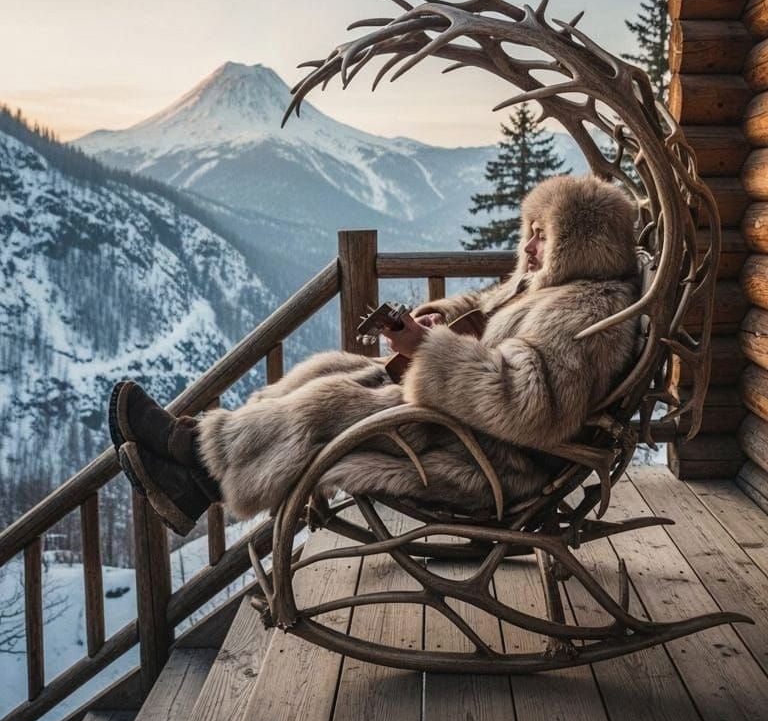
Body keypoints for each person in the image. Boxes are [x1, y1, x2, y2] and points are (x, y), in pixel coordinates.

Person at [109, 174, 641, 536]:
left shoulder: (589, 312)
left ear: (581, 243)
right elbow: (483, 305)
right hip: (468, 428)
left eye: (542, 237)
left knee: (328, 405)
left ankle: (193, 453)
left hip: (496, 461)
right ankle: (197, 477)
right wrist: (438, 320)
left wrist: (431, 351)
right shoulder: (547, 288)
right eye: (529, 233)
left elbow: (532, 403)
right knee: (327, 371)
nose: (527, 248)